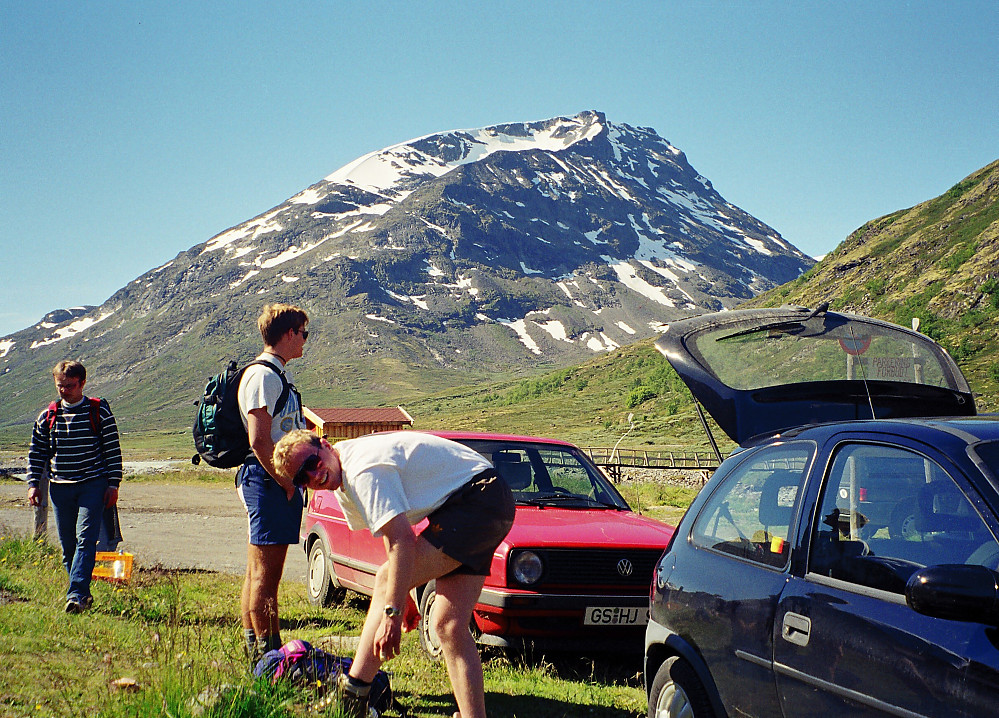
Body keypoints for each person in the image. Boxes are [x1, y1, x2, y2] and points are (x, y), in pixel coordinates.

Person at [273, 429, 516, 718]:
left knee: (386, 579)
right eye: (302, 479)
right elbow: (391, 533)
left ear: (325, 445)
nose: (313, 476)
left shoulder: (362, 470)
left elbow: (402, 540)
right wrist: (405, 589)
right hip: (484, 501)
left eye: (312, 463)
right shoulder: (343, 477)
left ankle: (353, 696)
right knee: (448, 625)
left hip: (478, 499)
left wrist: (393, 611)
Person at [236, 303, 309, 663]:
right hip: (267, 481)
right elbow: (259, 439)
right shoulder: (263, 376)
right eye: (303, 334)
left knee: (256, 573)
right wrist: (285, 482)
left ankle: (259, 655)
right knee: (267, 577)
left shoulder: (276, 375)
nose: (305, 342)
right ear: (289, 333)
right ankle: (270, 659)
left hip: (271, 482)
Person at [27, 360, 123, 613]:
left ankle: (76, 594)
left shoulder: (98, 412)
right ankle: (83, 596)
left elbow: (113, 450)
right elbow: (37, 453)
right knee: (68, 545)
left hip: (93, 484)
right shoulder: (47, 416)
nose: (64, 390)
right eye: (60, 386)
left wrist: (113, 484)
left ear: (82, 383)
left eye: (70, 386)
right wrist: (33, 484)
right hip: (60, 487)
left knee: (86, 539)